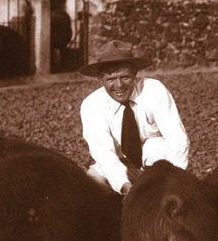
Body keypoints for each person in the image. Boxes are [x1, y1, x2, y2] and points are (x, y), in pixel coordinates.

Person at [79, 40, 189, 195]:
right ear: (100, 78)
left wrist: (176, 179)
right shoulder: (92, 105)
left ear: (135, 73)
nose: (119, 85)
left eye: (125, 77)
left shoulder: (154, 90)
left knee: (157, 149)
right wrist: (124, 186)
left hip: (155, 159)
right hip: (119, 160)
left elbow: (177, 137)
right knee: (93, 181)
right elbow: (103, 152)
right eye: (111, 79)